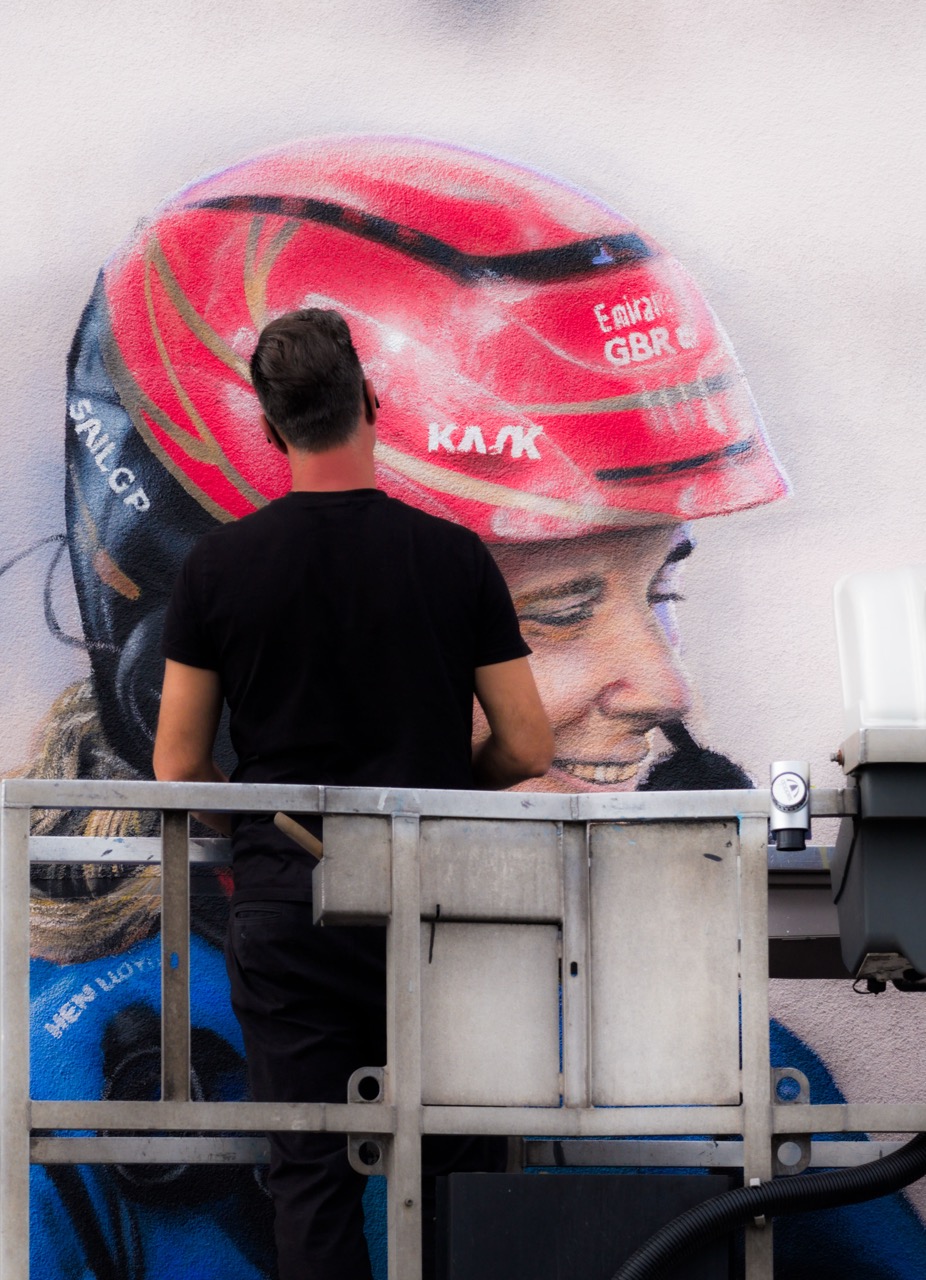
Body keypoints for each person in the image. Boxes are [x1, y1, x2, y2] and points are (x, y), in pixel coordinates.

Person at [152, 306, 554, 1280]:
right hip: (436, 894)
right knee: (460, 1157)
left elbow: (178, 765)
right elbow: (528, 740)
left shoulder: (217, 569)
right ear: (369, 404)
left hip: (293, 900)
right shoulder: (454, 557)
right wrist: (453, 785)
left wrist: (248, 819)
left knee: (310, 1169)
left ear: (270, 426)